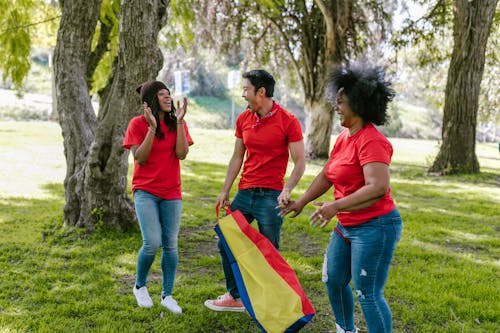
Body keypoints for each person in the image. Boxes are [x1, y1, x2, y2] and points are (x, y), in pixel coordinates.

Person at [280, 62, 403, 333]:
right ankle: (346, 329)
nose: (336, 106)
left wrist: (336, 206)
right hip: (347, 225)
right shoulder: (345, 138)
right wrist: (301, 201)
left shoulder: (372, 141)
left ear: (358, 105)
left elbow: (378, 187)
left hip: (375, 227)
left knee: (367, 293)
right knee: (333, 279)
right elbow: (328, 174)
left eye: (341, 102)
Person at [204, 69, 306, 312]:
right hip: (245, 193)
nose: (243, 94)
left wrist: (288, 189)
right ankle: (236, 295)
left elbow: (300, 161)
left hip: (271, 196)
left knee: (270, 251)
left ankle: (275, 302)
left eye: (246, 89)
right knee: (226, 240)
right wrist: (225, 190)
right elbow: (237, 156)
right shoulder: (244, 119)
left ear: (261, 92)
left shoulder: (288, 120)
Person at [123, 80, 193, 314]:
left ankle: (167, 295)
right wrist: (152, 128)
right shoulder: (137, 124)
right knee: (152, 242)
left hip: (171, 191)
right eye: (162, 95)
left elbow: (182, 154)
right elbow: (140, 158)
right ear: (150, 101)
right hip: (145, 191)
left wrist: (181, 121)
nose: (167, 98)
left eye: (168, 94)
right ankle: (140, 286)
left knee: (171, 245)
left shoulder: (176, 124)